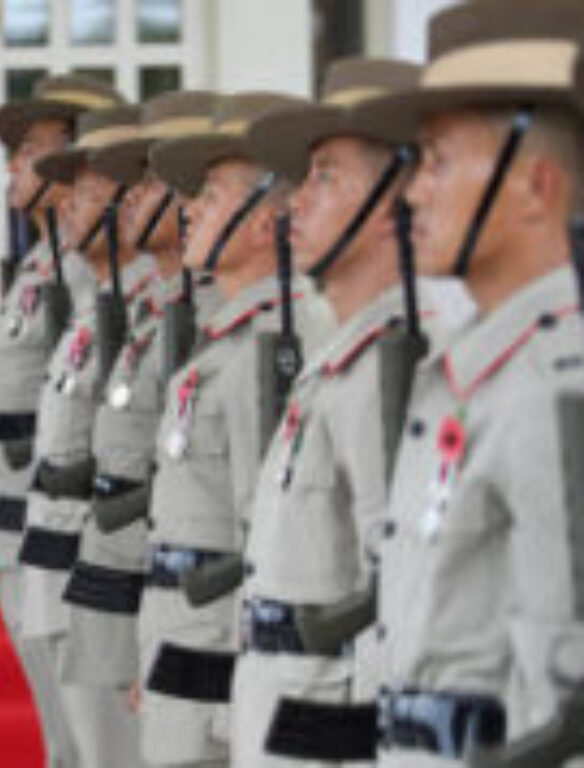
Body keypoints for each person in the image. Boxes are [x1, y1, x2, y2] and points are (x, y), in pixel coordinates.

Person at [353, 1, 584, 763]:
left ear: (536, 186)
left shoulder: (559, 391)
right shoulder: (465, 368)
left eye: (440, 159)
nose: (413, 192)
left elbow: (567, 711)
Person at [232, 57, 426, 766]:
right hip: (282, 703)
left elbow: (400, 600)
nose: (293, 204)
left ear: (390, 206)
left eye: (327, 176)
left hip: (330, 725)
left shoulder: (393, 365)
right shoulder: (339, 360)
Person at [137, 92, 336, 767]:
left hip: (218, 662)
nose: (189, 207)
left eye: (213, 194)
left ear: (263, 225)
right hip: (183, 636)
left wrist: (232, 703)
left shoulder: (271, 343)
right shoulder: (225, 338)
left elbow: (268, 535)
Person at [57, 88, 219, 735]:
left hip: (174, 601)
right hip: (123, 576)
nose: (130, 200)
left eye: (150, 185)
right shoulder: (152, 311)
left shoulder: (211, 322)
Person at [0, 74, 123, 768]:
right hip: (15, 518)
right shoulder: (40, 263)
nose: (14, 164)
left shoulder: (92, 269)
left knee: (92, 738)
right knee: (61, 741)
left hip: (60, 524)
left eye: (32, 148)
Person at [16, 105, 150, 768]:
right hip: (56, 560)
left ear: (133, 206)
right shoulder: (95, 307)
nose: (67, 207)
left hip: (102, 581)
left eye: (89, 193)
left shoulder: (148, 314)